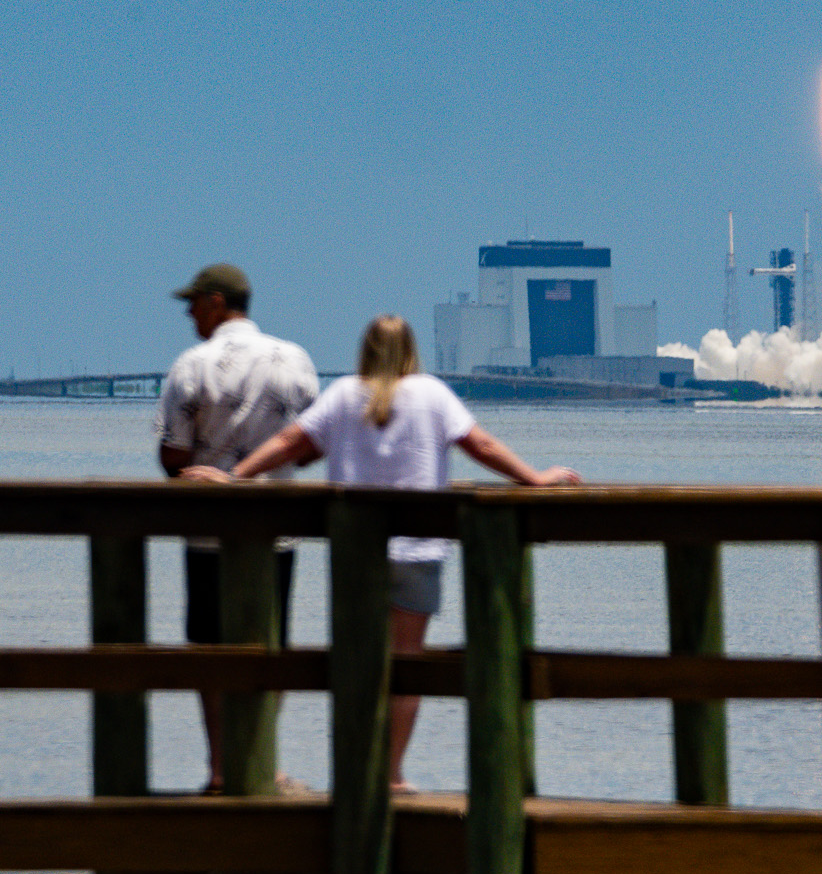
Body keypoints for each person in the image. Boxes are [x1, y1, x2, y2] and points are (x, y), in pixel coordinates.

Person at [183, 314, 580, 789]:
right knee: (406, 666)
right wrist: (534, 478)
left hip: (357, 556)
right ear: (412, 349)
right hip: (418, 555)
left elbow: (290, 442)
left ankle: (354, 772)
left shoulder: (344, 394)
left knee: (359, 664)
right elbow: (481, 444)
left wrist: (235, 478)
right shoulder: (432, 394)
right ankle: (390, 775)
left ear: (365, 349)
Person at [154, 263, 319, 794]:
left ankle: (222, 769)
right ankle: (264, 765)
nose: (188, 313)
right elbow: (314, 441)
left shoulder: (191, 364)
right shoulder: (293, 359)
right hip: (277, 527)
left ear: (218, 303)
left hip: (208, 531)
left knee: (210, 649)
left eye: (194, 303)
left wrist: (203, 467)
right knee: (272, 646)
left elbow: (174, 452)